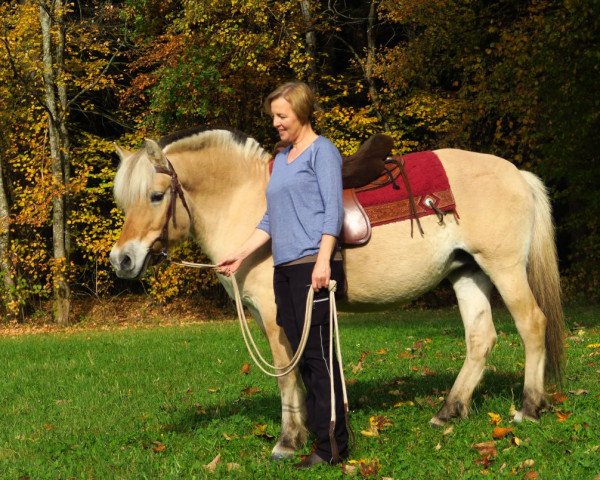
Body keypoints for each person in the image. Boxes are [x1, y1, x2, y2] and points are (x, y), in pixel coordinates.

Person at [217, 81, 348, 468]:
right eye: (273, 115)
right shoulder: (284, 159)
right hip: (284, 270)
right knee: (301, 357)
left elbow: (332, 212)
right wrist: (240, 255)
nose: (275, 123)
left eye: (281, 115)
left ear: (302, 113)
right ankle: (324, 438)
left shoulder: (322, 152)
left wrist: (324, 261)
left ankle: (332, 448)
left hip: (312, 266)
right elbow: (271, 218)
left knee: (319, 356)